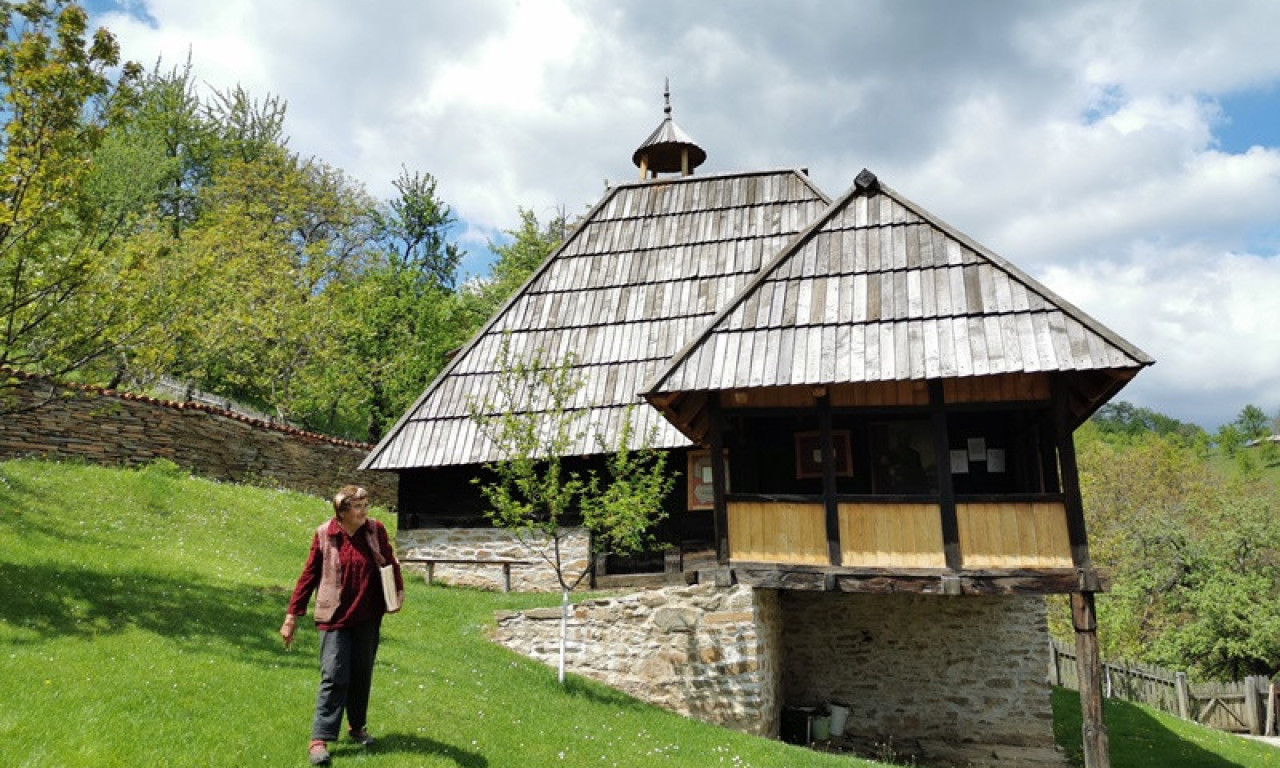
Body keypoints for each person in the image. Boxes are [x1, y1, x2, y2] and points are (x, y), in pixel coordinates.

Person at [280, 485, 404, 766]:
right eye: (357, 507)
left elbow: (390, 562)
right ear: (342, 512)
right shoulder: (326, 533)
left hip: (368, 615)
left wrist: (396, 593)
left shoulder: (375, 530)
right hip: (334, 616)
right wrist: (292, 616)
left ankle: (357, 727)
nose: (364, 511)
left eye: (365, 505)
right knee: (334, 675)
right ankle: (319, 740)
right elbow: (309, 574)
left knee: (361, 672)